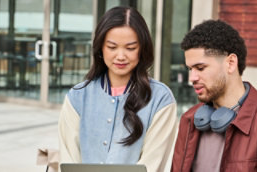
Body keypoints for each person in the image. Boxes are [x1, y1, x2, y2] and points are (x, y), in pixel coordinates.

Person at [58, 6, 178, 172]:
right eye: (112, 47)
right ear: (101, 48)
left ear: (142, 49)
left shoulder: (161, 99)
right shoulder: (77, 97)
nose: (121, 56)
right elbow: (68, 159)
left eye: (130, 48)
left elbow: (152, 164)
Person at [171, 20, 257, 172]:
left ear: (230, 63)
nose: (192, 78)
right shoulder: (189, 120)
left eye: (200, 68)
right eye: (190, 69)